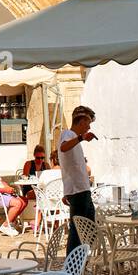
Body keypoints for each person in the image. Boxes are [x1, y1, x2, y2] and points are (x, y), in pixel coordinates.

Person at [59, 105, 98, 253]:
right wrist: (81, 138)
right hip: (79, 191)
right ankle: (72, 269)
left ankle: (80, 264)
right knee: (78, 231)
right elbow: (63, 148)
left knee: (87, 230)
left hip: (80, 190)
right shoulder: (68, 134)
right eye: (87, 123)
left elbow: (70, 165)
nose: (88, 127)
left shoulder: (72, 138)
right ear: (81, 121)